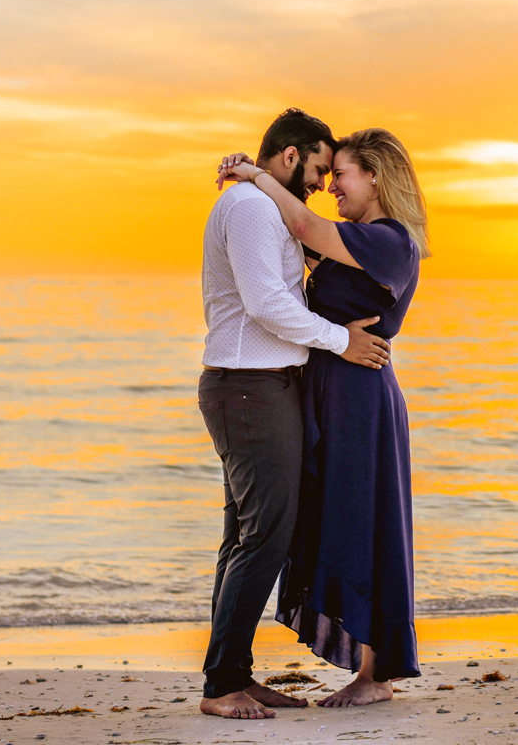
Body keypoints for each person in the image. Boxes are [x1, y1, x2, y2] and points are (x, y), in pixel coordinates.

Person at [217, 127, 429, 707]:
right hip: (328, 387)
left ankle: (375, 674)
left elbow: (304, 226)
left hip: (359, 393)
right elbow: (290, 247)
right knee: (337, 519)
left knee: (366, 522)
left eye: (342, 175)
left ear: (377, 177)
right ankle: (357, 670)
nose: (331, 187)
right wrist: (250, 171)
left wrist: (258, 177)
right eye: (327, 174)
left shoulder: (391, 240)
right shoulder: (356, 240)